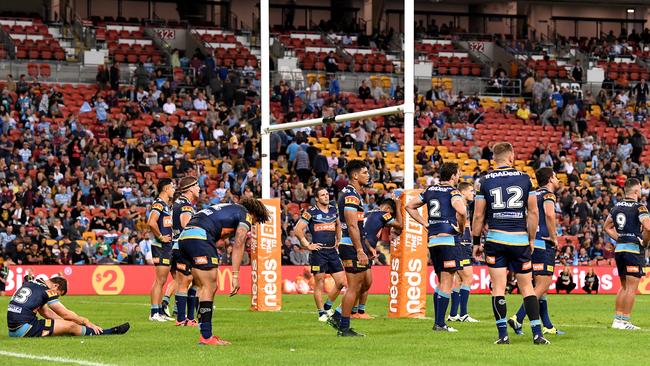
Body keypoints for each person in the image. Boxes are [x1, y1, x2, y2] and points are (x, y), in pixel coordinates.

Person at [472, 142, 549, 345]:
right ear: (512, 156)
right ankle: (537, 335)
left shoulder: (484, 181)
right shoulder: (525, 179)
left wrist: (475, 242)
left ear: (493, 159)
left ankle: (503, 336)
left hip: (496, 238)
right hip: (519, 239)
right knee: (527, 287)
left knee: (498, 287)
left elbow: (478, 215)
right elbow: (533, 212)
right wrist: (531, 238)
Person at [178, 198, 270, 345]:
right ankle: (206, 337)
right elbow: (239, 242)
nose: (252, 224)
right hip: (200, 238)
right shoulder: (245, 214)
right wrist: (235, 275)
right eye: (255, 221)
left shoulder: (227, 207)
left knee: (201, 287)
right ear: (253, 213)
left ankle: (205, 333)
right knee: (210, 286)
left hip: (184, 238)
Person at [406, 162, 467, 332]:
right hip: (448, 239)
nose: (459, 176)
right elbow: (461, 211)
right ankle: (440, 323)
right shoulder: (453, 192)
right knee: (448, 281)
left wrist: (425, 223)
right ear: (453, 175)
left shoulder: (429, 190)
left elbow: (409, 206)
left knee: (441, 281)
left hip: (433, 241)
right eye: (458, 173)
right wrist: (461, 228)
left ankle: (438, 321)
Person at [509, 167, 565, 336]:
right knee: (543, 285)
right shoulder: (548, 195)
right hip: (543, 243)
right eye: (555, 177)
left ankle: (547, 325)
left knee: (540, 287)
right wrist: (554, 236)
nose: (557, 180)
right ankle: (518, 317)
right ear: (549, 179)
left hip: (531, 242)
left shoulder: (532, 194)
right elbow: (549, 215)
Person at [327, 160, 370, 337]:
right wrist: (359, 250)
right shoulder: (351, 196)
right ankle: (343, 327)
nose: (368, 175)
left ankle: (338, 315)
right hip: (351, 245)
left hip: (353, 243)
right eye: (365, 172)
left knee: (365, 282)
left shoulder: (353, 193)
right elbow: (352, 225)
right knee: (354, 287)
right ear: (355, 175)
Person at [7, 276, 129, 337]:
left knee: (68, 324)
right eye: (58, 294)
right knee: (71, 326)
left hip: (12, 330)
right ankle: (107, 332)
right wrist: (85, 321)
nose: (56, 295)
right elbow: (64, 313)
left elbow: (46, 313)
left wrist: (64, 323)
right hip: (25, 328)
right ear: (55, 286)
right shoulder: (48, 291)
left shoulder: (32, 282)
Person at [604, 178, 650, 330]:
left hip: (620, 249)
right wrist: (644, 242)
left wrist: (621, 238)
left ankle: (617, 320)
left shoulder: (616, 207)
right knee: (631, 287)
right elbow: (648, 227)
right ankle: (625, 321)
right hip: (633, 250)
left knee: (623, 286)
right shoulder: (640, 207)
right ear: (636, 191)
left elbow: (607, 227)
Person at [294, 187, 345, 322]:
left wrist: (339, 239)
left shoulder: (334, 210)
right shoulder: (310, 212)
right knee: (319, 284)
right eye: (322, 195)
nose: (326, 196)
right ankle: (321, 313)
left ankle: (328, 306)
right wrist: (307, 245)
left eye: (327, 194)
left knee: (341, 282)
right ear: (317, 198)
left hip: (332, 251)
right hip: (319, 253)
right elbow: (298, 230)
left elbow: (338, 225)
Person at [354, 195, 403, 319]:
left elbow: (362, 232)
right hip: (364, 250)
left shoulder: (368, 212)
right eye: (391, 213)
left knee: (365, 282)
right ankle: (354, 312)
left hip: (363, 247)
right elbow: (400, 225)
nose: (390, 216)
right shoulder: (383, 214)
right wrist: (398, 206)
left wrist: (370, 247)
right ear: (387, 208)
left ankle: (358, 311)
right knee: (360, 283)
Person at [170, 176, 201, 326]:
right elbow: (186, 224)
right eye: (197, 186)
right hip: (184, 246)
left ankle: (189, 318)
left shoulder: (178, 203)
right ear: (190, 188)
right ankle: (182, 318)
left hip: (178, 245)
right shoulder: (186, 206)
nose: (199, 188)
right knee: (186, 281)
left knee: (193, 281)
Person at [447, 181, 479, 323]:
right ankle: (464, 314)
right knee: (468, 278)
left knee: (459, 280)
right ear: (464, 191)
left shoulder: (464, 205)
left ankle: (454, 314)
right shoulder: (458, 203)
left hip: (464, 242)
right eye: (471, 191)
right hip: (460, 242)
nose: (473, 193)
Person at [147, 178, 176, 322]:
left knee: (163, 279)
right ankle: (154, 313)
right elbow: (151, 222)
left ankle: (159, 311)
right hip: (160, 246)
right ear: (165, 189)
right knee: (160, 280)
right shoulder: (158, 204)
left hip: (166, 246)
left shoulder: (165, 205)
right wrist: (160, 237)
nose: (174, 190)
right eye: (172, 187)